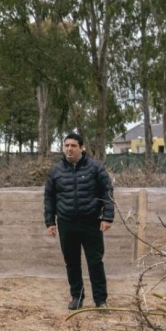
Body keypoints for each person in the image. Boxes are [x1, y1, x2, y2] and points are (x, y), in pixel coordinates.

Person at [44, 132, 115, 310]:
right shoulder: (56, 171)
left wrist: (107, 217)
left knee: (95, 262)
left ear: (81, 148)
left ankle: (100, 300)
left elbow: (107, 191)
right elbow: (49, 198)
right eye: (66, 145)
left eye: (73, 146)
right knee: (72, 262)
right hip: (66, 223)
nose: (69, 149)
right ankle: (77, 297)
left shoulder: (95, 168)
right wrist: (50, 222)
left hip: (91, 223)